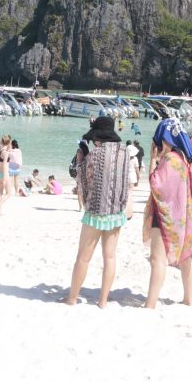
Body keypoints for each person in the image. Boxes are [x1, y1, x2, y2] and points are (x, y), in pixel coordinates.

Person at [143, 118, 192, 309]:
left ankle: (150, 304)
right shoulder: (189, 159)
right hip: (185, 216)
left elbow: (156, 184)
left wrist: (153, 159)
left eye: (159, 140)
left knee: (157, 260)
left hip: (166, 216)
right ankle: (188, 299)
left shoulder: (172, 159)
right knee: (185, 257)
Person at [64, 116, 130, 308]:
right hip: (117, 211)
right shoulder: (125, 152)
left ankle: (72, 298)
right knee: (110, 257)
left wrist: (80, 159)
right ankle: (102, 301)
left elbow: (82, 179)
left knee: (83, 257)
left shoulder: (95, 154)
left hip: (96, 211)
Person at [0, 134, 12, 214]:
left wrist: (5, 145)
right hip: (4, 174)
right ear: (9, 143)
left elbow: (0, 145)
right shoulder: (6, 153)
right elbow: (5, 165)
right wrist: (5, 178)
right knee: (8, 193)